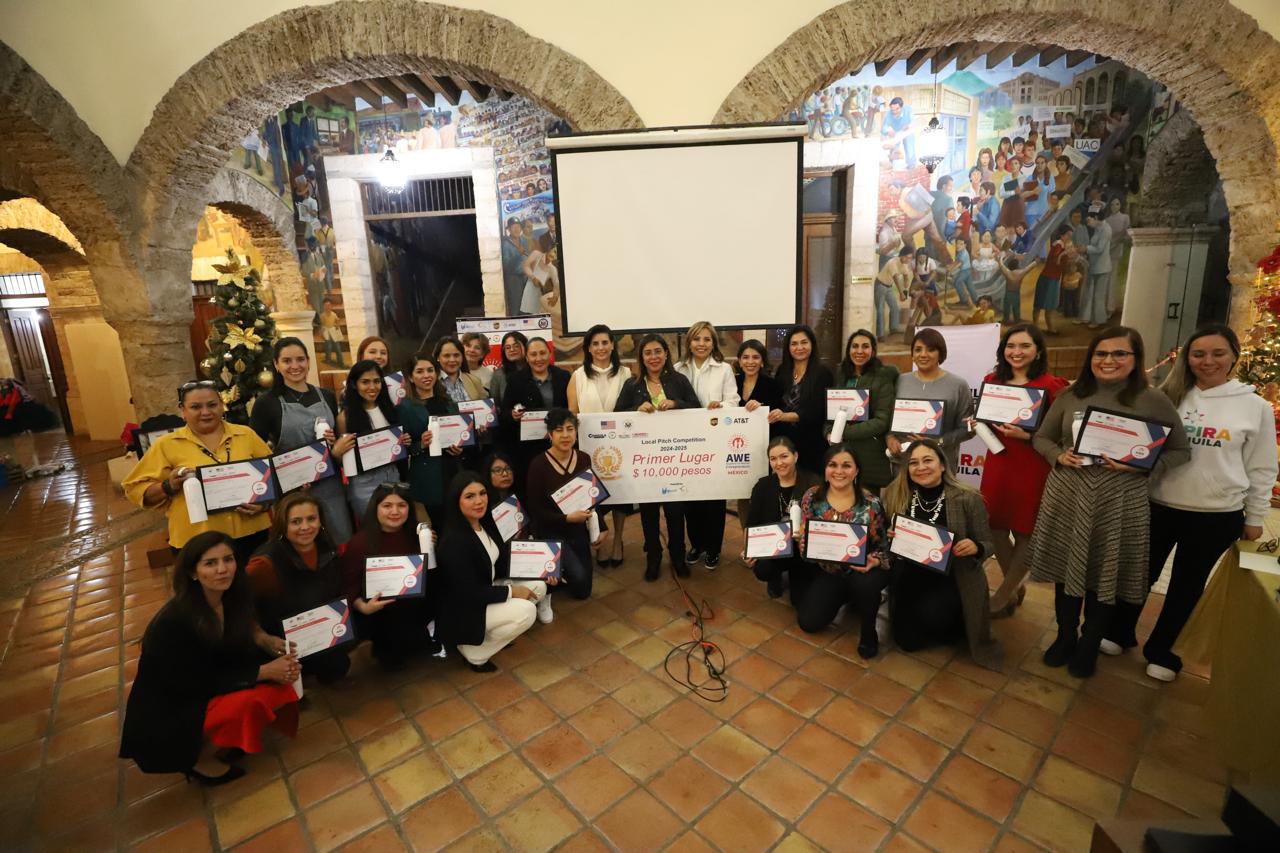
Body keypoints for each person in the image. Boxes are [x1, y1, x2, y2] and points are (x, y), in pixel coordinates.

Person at [1103, 325, 1277, 681]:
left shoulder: (1254, 406)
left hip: (1216, 514)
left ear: (1233, 356)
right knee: (1139, 574)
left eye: (1217, 353)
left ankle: (1163, 651)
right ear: (1187, 358)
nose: (1207, 361)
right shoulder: (1168, 397)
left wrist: (1255, 516)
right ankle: (1120, 632)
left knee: (1187, 584)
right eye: (1198, 354)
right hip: (1158, 504)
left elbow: (1261, 467)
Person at [1028, 327, 1191, 678]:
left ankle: (1090, 644)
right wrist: (1058, 455)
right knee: (1067, 570)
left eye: (1120, 354)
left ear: (1135, 359)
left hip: (1120, 500)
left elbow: (1180, 450)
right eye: (1101, 353)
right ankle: (1065, 637)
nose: (1109, 360)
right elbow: (1042, 437)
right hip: (1069, 495)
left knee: (1106, 575)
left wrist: (1143, 467)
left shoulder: (1153, 400)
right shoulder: (1071, 394)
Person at [120, 532, 299, 785]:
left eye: (228, 559)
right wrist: (265, 671)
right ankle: (198, 758)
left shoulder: (230, 596)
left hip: (206, 685)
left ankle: (223, 740)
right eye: (210, 563)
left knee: (277, 687)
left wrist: (263, 639)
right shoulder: (174, 622)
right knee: (252, 699)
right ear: (193, 572)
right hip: (172, 709)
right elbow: (193, 683)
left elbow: (242, 629)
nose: (222, 569)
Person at [882, 440, 1002, 669]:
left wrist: (976, 547)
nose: (921, 467)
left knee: (943, 627)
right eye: (914, 463)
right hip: (910, 576)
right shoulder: (897, 494)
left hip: (951, 577)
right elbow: (888, 537)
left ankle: (952, 619)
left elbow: (989, 543)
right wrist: (890, 535)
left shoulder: (968, 498)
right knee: (907, 643)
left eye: (928, 460)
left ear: (943, 465)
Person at [123, 381, 272, 565]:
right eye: (195, 407)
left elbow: (273, 475)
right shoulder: (166, 445)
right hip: (197, 540)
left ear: (222, 405)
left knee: (255, 582)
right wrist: (168, 486)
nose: (205, 412)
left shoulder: (246, 435)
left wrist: (264, 504)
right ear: (183, 411)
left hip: (251, 533)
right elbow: (135, 489)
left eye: (212, 405)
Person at [979, 324, 1070, 617]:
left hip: (1032, 466)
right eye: (1011, 346)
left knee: (1025, 531)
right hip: (998, 462)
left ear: (1038, 351)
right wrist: (976, 422)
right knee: (993, 526)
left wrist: (1028, 436)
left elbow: (1063, 436)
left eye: (1024, 346)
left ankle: (1003, 595)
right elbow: (986, 418)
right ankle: (1014, 585)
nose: (1016, 352)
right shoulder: (992, 380)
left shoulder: (1053, 386)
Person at [436, 472, 551, 672]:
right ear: (456, 501)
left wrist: (543, 568)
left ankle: (486, 636)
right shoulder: (453, 541)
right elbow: (468, 593)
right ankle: (475, 653)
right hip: (465, 608)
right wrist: (512, 591)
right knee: (527, 612)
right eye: (470, 496)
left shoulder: (484, 524)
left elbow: (502, 563)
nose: (479, 501)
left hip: (484, 592)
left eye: (482, 493)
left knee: (539, 586)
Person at [250, 337, 355, 544]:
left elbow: (336, 442)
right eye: (287, 361)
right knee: (301, 546)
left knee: (339, 542)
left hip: (329, 487)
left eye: (300, 359)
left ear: (308, 361)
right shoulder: (266, 403)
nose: (295, 366)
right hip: (293, 491)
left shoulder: (326, 396)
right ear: (276, 365)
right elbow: (255, 452)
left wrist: (333, 442)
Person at [615, 334, 701, 580]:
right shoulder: (632, 385)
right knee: (648, 514)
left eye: (657, 352)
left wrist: (676, 404)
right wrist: (636, 409)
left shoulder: (679, 380)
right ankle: (653, 557)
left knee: (676, 513)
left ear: (666, 354)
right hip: (645, 462)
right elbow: (617, 414)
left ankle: (678, 556)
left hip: (675, 459)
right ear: (641, 357)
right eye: (648, 353)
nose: (653, 357)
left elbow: (697, 408)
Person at [793, 444, 890, 659]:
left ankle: (868, 632)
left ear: (856, 471)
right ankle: (847, 597)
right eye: (833, 465)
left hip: (863, 571)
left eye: (846, 466)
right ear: (825, 470)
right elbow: (806, 543)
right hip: (831, 572)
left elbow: (885, 547)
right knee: (808, 622)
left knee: (865, 585)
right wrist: (804, 544)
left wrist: (875, 561)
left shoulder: (871, 504)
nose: (839, 471)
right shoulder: (811, 497)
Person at [245, 493, 352, 683]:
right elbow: (236, 603)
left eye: (311, 519)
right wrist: (260, 637)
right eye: (296, 522)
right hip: (281, 639)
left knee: (338, 666)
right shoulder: (264, 564)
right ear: (283, 525)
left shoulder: (327, 546)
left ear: (321, 521)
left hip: (319, 630)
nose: (305, 527)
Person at [339, 482, 440, 670]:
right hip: (380, 611)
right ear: (375, 508)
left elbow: (430, 573)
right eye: (387, 506)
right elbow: (347, 585)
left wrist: (430, 547)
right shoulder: (359, 543)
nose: (395, 511)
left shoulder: (417, 534)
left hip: (414, 603)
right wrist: (363, 606)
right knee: (393, 655)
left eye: (401, 505)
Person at [675, 321, 740, 570]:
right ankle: (696, 544)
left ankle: (713, 549)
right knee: (690, 498)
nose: (701, 344)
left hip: (715, 442)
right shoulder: (677, 369)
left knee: (714, 499)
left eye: (706, 339)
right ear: (689, 342)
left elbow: (734, 401)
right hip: (686, 443)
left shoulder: (724, 369)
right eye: (696, 339)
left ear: (713, 343)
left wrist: (720, 406)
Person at [524, 409, 606, 601]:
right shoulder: (538, 465)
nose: (565, 435)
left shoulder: (583, 458)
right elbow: (535, 510)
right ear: (550, 434)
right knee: (578, 580)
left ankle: (559, 569)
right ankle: (551, 569)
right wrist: (566, 518)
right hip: (551, 531)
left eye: (570, 429)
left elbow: (592, 496)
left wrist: (601, 526)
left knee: (583, 590)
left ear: (576, 432)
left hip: (578, 530)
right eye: (559, 430)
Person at [568, 324, 632, 566]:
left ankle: (617, 541)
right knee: (594, 497)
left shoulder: (626, 373)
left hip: (621, 448)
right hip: (589, 449)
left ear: (612, 345)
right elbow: (572, 414)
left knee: (621, 496)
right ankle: (599, 540)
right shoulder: (578, 376)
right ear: (588, 348)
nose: (600, 347)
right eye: (595, 343)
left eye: (605, 342)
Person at [744, 437, 821, 599]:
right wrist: (748, 550)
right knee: (763, 569)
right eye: (773, 459)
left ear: (796, 456)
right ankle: (775, 577)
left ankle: (797, 577)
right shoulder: (763, 486)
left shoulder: (813, 483)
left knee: (798, 599)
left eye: (784, 456)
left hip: (802, 549)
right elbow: (751, 523)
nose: (779, 463)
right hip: (774, 549)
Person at [887, 329, 974, 472]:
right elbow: (887, 418)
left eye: (931, 350)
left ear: (941, 353)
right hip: (903, 464)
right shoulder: (900, 381)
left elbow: (967, 429)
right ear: (912, 354)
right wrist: (890, 438)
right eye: (918, 350)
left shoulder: (958, 385)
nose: (923, 355)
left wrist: (938, 442)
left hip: (940, 465)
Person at [337, 360, 412, 518]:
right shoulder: (345, 417)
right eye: (365, 382)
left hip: (392, 476)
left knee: (395, 522)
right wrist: (338, 451)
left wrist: (404, 441)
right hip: (363, 482)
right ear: (354, 384)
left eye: (377, 381)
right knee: (370, 526)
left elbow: (399, 445)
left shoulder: (390, 409)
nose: (372, 387)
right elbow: (342, 459)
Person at [829, 329, 899, 492]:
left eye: (865, 346)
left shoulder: (883, 377)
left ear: (873, 351)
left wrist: (843, 432)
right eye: (855, 346)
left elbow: (882, 421)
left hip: (870, 458)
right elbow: (829, 414)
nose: (859, 351)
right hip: (840, 455)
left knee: (868, 504)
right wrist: (828, 432)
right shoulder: (840, 375)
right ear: (848, 350)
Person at [399, 352, 462, 526]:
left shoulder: (448, 401)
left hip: (452, 469)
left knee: (456, 519)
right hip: (427, 475)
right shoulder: (406, 408)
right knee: (437, 523)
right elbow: (403, 448)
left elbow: (459, 433)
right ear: (410, 377)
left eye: (430, 370)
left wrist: (460, 446)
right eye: (419, 371)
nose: (426, 375)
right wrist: (421, 444)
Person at [500, 337, 571, 487]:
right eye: (533, 354)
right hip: (529, 451)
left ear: (550, 354)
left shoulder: (564, 377)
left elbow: (570, 411)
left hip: (560, 446)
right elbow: (504, 414)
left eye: (542, 353)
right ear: (526, 357)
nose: (538, 359)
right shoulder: (515, 380)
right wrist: (512, 415)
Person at [773, 325, 834, 475]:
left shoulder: (823, 373)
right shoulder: (782, 370)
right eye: (794, 344)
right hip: (785, 443)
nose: (799, 347)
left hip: (812, 444)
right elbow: (776, 401)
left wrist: (784, 416)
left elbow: (817, 411)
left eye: (804, 342)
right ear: (788, 347)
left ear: (812, 344)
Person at [1080, 210, 1114, 328]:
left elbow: (1099, 249)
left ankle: (1098, 320)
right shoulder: (1098, 228)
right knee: (1089, 293)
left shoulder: (1106, 229)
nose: (1088, 223)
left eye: (1089, 220)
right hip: (1094, 266)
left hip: (1102, 267)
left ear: (1095, 217)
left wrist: (1086, 249)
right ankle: (1086, 317)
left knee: (1098, 295)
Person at [1034, 228, 1069, 334]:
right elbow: (1056, 261)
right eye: (1068, 235)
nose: (1069, 237)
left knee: (1047, 304)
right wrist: (1064, 254)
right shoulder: (1059, 245)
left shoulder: (1061, 245)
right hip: (1049, 278)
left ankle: (1047, 327)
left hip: (1052, 277)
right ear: (1062, 235)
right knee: (1044, 303)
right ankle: (1040, 327)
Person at [874, 247, 912, 341]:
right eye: (907, 257)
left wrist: (906, 284)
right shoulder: (893, 262)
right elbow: (896, 278)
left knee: (895, 307)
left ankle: (893, 329)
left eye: (910, 258)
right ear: (902, 256)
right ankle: (880, 335)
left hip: (888, 286)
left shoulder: (904, 264)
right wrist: (901, 293)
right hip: (880, 285)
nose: (909, 260)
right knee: (880, 310)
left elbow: (906, 275)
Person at [433, 337, 486, 404]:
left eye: (456, 355)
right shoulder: (431, 382)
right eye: (447, 356)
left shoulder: (474, 381)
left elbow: (487, 407)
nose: (452, 360)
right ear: (438, 357)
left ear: (462, 357)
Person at [487, 331, 528, 416]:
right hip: (508, 422)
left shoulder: (535, 370)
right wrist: (510, 414)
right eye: (508, 347)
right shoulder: (499, 374)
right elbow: (495, 407)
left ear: (525, 347)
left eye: (516, 346)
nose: (512, 350)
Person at [997, 253, 1042, 325]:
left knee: (1006, 307)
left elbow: (1001, 265)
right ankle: (1017, 319)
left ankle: (1006, 319)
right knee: (1016, 307)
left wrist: (1001, 257)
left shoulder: (1007, 272)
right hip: (1016, 293)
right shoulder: (1021, 273)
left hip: (1008, 293)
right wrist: (1035, 261)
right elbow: (1029, 268)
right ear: (1017, 266)